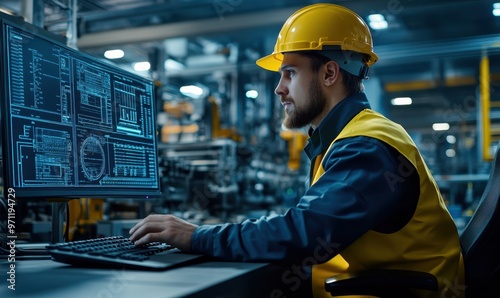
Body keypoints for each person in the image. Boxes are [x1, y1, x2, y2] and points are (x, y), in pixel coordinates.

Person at [129, 3, 464, 297]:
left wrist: (198, 236)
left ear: (330, 72)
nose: (279, 88)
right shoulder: (343, 138)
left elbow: (304, 234)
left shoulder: (366, 145)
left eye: (289, 73)